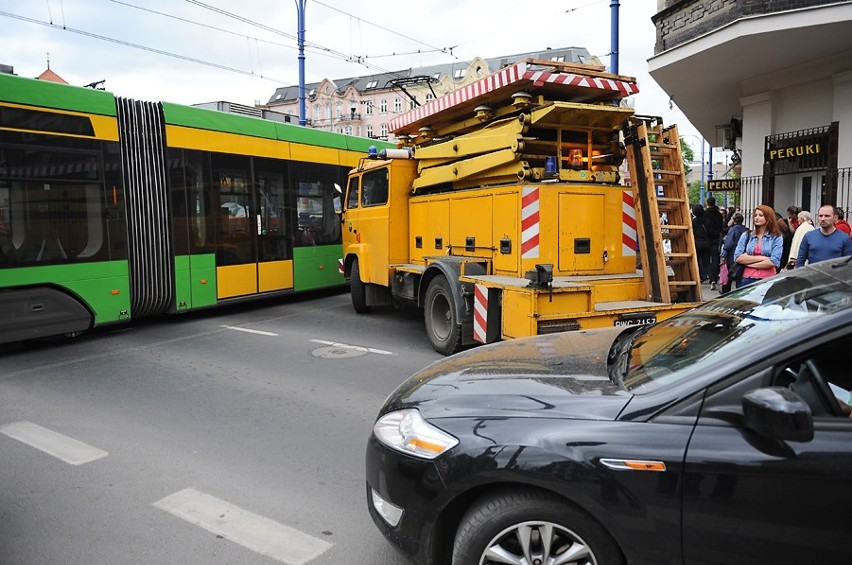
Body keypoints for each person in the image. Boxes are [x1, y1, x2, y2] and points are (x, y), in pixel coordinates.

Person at [734, 205, 784, 288]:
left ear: (768, 218)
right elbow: (737, 257)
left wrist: (747, 262)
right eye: (755, 215)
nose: (756, 218)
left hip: (768, 279)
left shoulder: (776, 237)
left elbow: (774, 261)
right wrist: (764, 258)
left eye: (761, 215)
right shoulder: (746, 235)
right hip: (747, 278)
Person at [720, 212, 747, 293]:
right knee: (740, 274)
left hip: (732, 255)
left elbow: (728, 243)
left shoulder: (733, 230)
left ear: (734, 220)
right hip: (744, 256)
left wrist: (723, 255)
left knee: (729, 274)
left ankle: (726, 291)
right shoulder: (746, 230)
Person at [703, 196, 724, 290]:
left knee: (707, 259)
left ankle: (710, 277)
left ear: (707, 203)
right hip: (716, 238)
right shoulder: (719, 214)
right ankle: (715, 276)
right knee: (715, 257)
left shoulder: (705, 214)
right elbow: (721, 226)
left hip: (707, 239)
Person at [691, 204, 711, 283]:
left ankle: (700, 276)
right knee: (707, 261)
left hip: (696, 243)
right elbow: (710, 231)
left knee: (697, 260)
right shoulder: (707, 220)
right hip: (706, 242)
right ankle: (711, 277)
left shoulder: (694, 221)